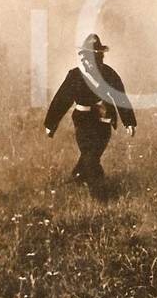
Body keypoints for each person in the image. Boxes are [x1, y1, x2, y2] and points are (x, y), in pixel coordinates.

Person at [44, 34, 137, 198]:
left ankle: (79, 178)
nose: (87, 63)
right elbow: (61, 100)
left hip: (104, 123)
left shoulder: (109, 74)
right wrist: (51, 124)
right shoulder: (75, 76)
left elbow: (120, 97)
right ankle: (101, 195)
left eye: (91, 59)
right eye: (84, 58)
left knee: (91, 155)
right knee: (90, 158)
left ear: (99, 58)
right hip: (83, 123)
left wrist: (129, 121)